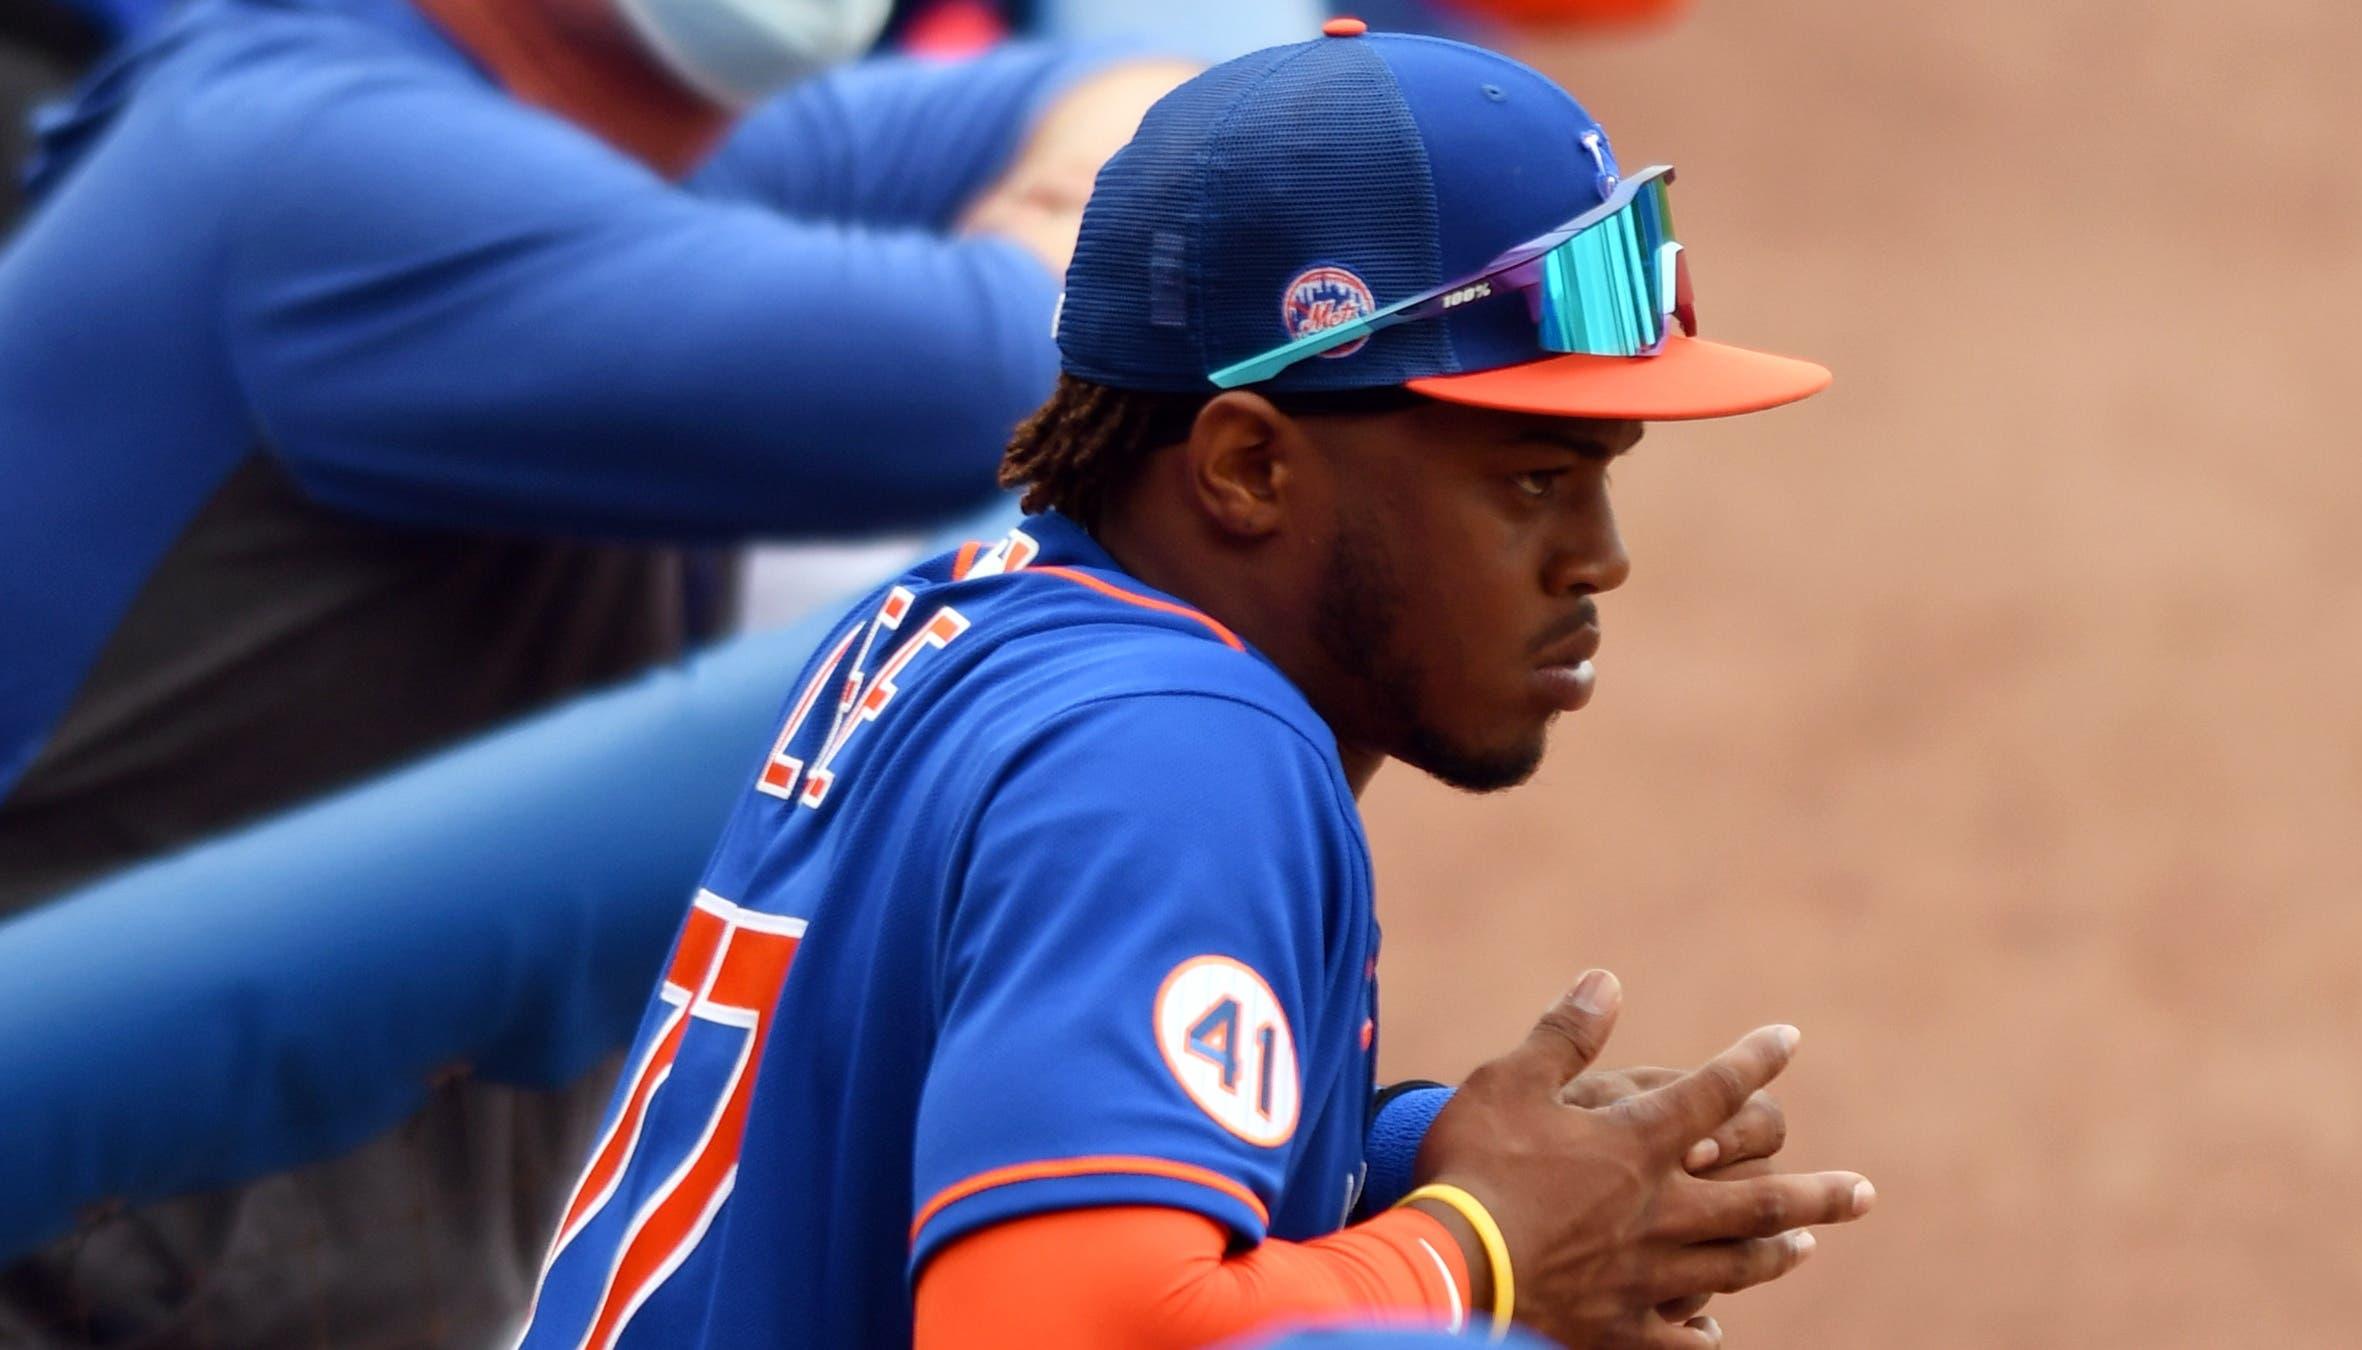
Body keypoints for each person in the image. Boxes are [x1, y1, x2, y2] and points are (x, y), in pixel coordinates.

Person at [517, 20, 1873, 1348]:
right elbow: (1055, 1330)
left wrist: (1418, 1161)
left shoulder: (970, 615)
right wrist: (1486, 1252)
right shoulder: (1179, 756)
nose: (1600, 560)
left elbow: (906, 1124)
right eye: (1531, 478)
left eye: (1602, 471)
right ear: (1248, 468)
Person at [0, 0, 1191, 1342]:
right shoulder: (317, 152)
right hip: (78, 1249)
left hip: (230, 1234)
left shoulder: (599, 132)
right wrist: (1065, 231)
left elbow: (1165, 111)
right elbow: (1004, 368)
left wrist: (1054, 210)